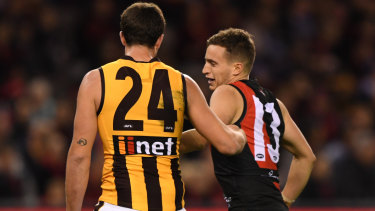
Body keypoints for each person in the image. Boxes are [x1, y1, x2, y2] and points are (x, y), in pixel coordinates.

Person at [65, 3, 247, 211]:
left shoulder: (95, 81)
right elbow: (226, 144)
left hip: (117, 204)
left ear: (123, 37)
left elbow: (79, 155)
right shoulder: (184, 84)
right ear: (160, 40)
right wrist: (238, 133)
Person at [180, 28, 316, 210]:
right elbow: (307, 157)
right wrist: (286, 200)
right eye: (205, 62)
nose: (205, 70)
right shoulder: (276, 104)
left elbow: (203, 137)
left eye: (213, 63)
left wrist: (156, 143)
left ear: (236, 68)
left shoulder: (227, 92)